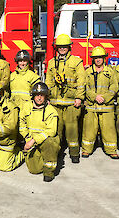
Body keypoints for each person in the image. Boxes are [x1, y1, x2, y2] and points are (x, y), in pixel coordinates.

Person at [45, 34, 86, 163]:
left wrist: (79, 97)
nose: (62, 49)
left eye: (65, 47)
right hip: (55, 102)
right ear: (57, 48)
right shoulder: (52, 62)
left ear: (69, 47)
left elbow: (81, 81)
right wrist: (47, 97)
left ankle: (74, 154)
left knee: (71, 129)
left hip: (71, 102)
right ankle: (56, 152)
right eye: (60, 47)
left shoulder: (76, 61)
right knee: (56, 130)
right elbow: (49, 82)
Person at [81, 46, 119, 159]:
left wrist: (105, 97)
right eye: (96, 58)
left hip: (106, 106)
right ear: (93, 59)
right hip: (92, 106)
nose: (98, 60)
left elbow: (114, 86)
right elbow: (84, 86)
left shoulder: (110, 72)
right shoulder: (87, 72)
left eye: (100, 57)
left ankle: (111, 150)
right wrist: (94, 97)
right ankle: (86, 150)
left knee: (109, 129)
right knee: (89, 129)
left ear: (104, 58)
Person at [19, 82, 60, 182]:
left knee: (50, 143)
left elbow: (51, 131)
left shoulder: (51, 111)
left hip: (45, 140)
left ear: (46, 97)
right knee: (34, 169)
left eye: (42, 95)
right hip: (31, 140)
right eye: (37, 95)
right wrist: (28, 139)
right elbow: (22, 125)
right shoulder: (26, 107)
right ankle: (43, 156)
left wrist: (33, 141)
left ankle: (49, 171)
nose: (39, 98)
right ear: (33, 96)